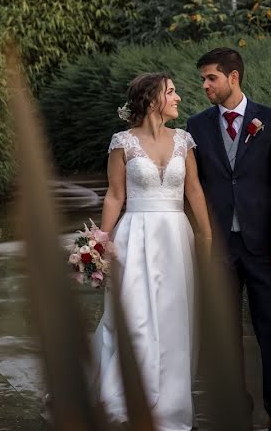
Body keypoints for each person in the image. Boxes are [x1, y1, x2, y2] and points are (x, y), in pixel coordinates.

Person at [89, 72, 213, 431]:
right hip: (135, 236)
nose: (177, 97)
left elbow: (194, 191)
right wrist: (100, 242)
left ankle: (169, 408)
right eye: (171, 92)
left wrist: (206, 237)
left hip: (176, 237)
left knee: (174, 318)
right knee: (137, 317)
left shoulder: (184, 140)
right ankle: (128, 398)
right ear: (152, 99)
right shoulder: (122, 142)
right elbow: (115, 195)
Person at [185, 48, 271, 431]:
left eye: (210, 78)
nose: (204, 86)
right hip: (220, 247)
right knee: (226, 332)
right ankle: (237, 407)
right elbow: (193, 186)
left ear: (233, 78)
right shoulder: (196, 126)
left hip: (265, 246)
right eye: (202, 79)